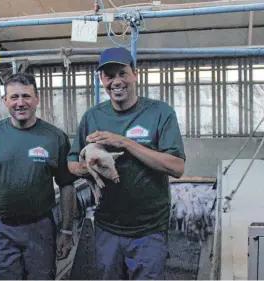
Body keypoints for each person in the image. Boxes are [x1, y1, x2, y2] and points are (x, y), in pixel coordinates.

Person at [67, 47, 186, 280]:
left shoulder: (160, 113)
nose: (116, 81)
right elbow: (72, 163)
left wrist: (126, 143)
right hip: (107, 228)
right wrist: (90, 168)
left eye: (122, 73)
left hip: (149, 231)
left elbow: (177, 167)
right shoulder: (93, 117)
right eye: (109, 76)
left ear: (135, 74)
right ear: (102, 79)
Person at [0, 72, 78, 280]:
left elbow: (67, 186)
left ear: (37, 99)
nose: (20, 103)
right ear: (4, 101)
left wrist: (66, 231)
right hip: (1, 228)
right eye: (14, 97)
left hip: (40, 228)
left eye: (26, 96)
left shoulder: (54, 138)